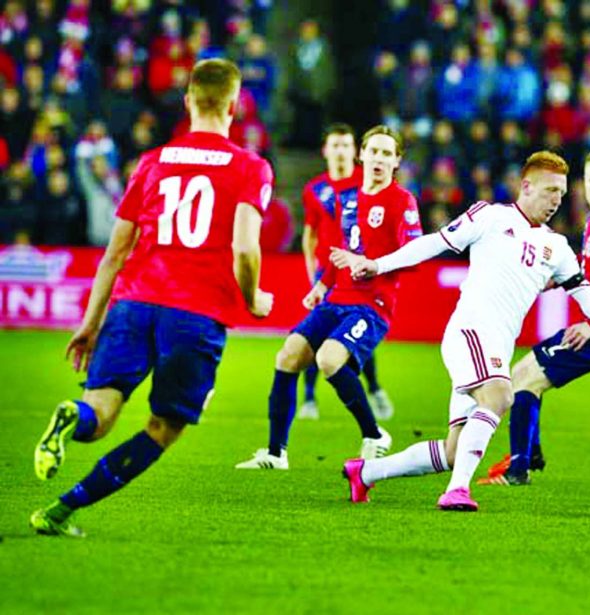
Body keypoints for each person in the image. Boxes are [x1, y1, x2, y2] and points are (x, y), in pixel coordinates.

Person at [333, 151, 590, 512]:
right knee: (501, 396)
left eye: (562, 192)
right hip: (469, 333)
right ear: (526, 186)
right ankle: (457, 491)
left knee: (454, 450)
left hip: (496, 348)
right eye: (550, 190)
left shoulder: (556, 247)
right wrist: (377, 265)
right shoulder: (489, 216)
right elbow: (434, 242)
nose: (557, 200)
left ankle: (365, 473)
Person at [30, 59, 275, 537]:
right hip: (195, 314)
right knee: (163, 428)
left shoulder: (153, 161)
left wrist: (90, 322)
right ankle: (62, 509)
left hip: (133, 304)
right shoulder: (250, 167)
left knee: (98, 416)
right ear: (233, 105)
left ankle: (70, 418)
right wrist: (253, 297)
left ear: (187, 101)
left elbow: (115, 251)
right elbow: (246, 247)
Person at [235, 125, 421, 470]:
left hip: (372, 306)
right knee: (288, 355)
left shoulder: (401, 202)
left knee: (328, 359)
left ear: (396, 162)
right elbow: (344, 251)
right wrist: (322, 285)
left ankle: (374, 434)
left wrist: (372, 265)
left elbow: (415, 255)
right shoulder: (346, 200)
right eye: (374, 151)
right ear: (361, 155)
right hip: (337, 296)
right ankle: (276, 454)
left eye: (387, 153)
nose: (378, 159)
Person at [478, 148, 590, 486]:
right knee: (523, 375)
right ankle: (528, 455)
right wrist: (553, 280)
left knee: (524, 379)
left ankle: (519, 469)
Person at [299, 123, 394, 421]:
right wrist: (311, 273)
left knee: (353, 334)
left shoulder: (364, 183)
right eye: (335, 145)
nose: (340, 150)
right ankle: (309, 399)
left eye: (345, 145)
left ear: (355, 151)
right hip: (326, 273)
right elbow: (309, 233)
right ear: (326, 150)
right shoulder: (314, 189)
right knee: (313, 334)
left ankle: (375, 388)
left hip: (357, 271)